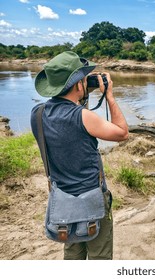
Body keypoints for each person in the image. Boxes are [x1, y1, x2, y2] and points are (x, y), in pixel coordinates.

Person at [30, 51, 129, 260]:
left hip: (63, 200)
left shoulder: (37, 114)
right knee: (98, 258)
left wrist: (80, 94)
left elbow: (68, 121)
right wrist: (109, 95)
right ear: (77, 85)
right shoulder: (84, 116)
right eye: (84, 80)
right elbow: (122, 133)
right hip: (92, 198)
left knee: (72, 255)